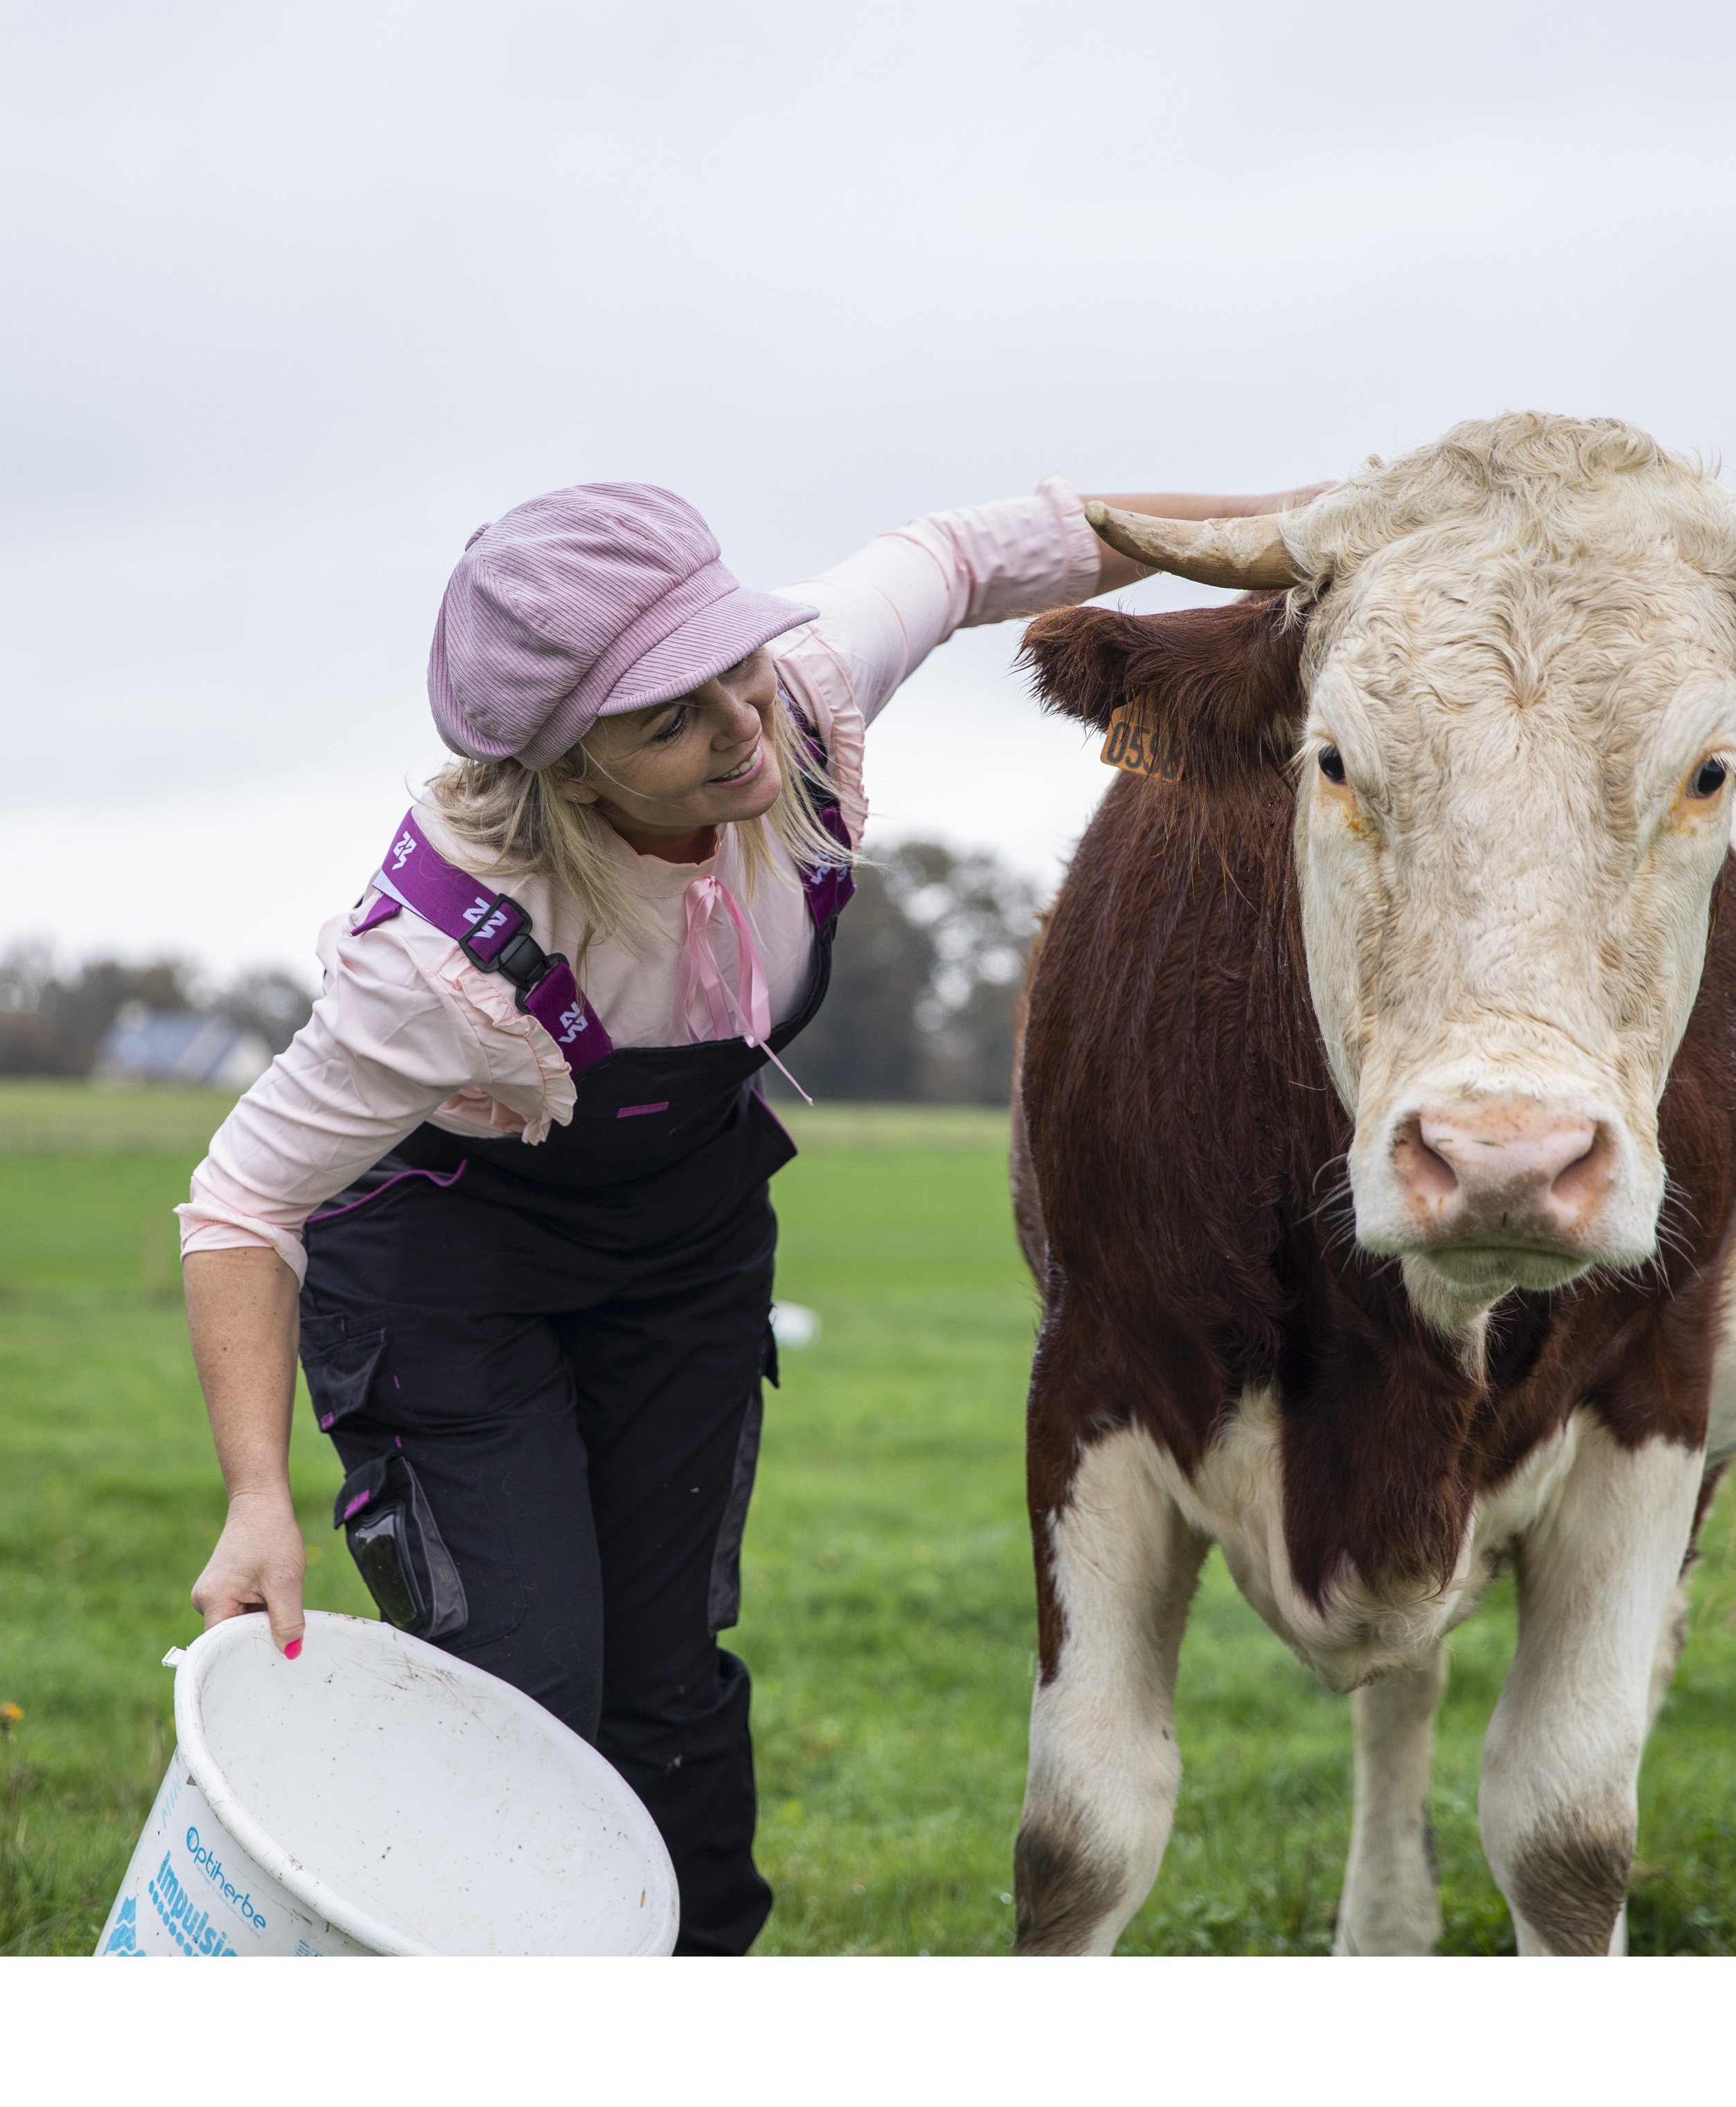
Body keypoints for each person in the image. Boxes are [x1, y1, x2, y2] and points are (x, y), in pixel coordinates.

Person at [177, 469, 1320, 1954]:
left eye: (734, 663)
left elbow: (981, 546)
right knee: (528, 1691)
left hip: (681, 1251)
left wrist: (1319, 520)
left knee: (667, 1695)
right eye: (672, 720)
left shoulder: (798, 699)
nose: (741, 725)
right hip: (446, 1275)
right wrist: (256, 1501)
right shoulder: (444, 961)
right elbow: (243, 1199)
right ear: (571, 769)